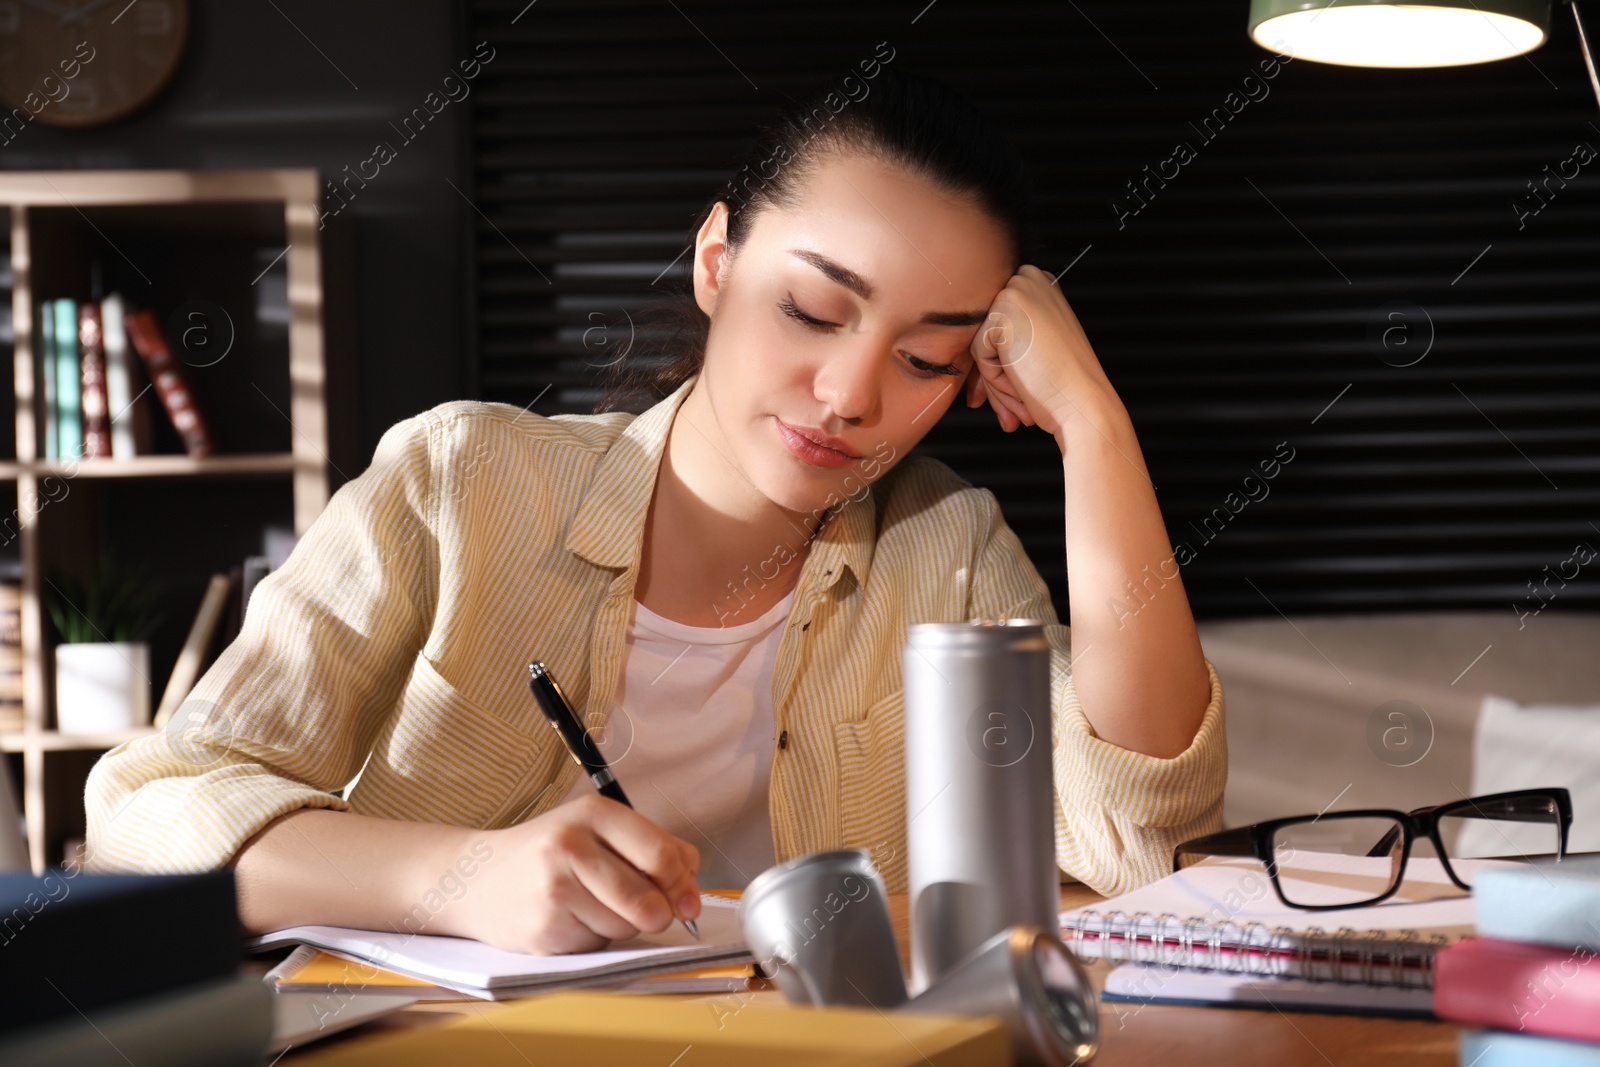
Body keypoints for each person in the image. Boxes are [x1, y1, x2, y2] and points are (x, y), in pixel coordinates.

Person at [83, 68, 1225, 955]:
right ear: (717, 263)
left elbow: (1145, 840)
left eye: (929, 357)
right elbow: (147, 817)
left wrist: (1093, 424)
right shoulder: (460, 485)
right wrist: (463, 877)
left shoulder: (950, 547)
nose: (852, 396)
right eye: (814, 309)